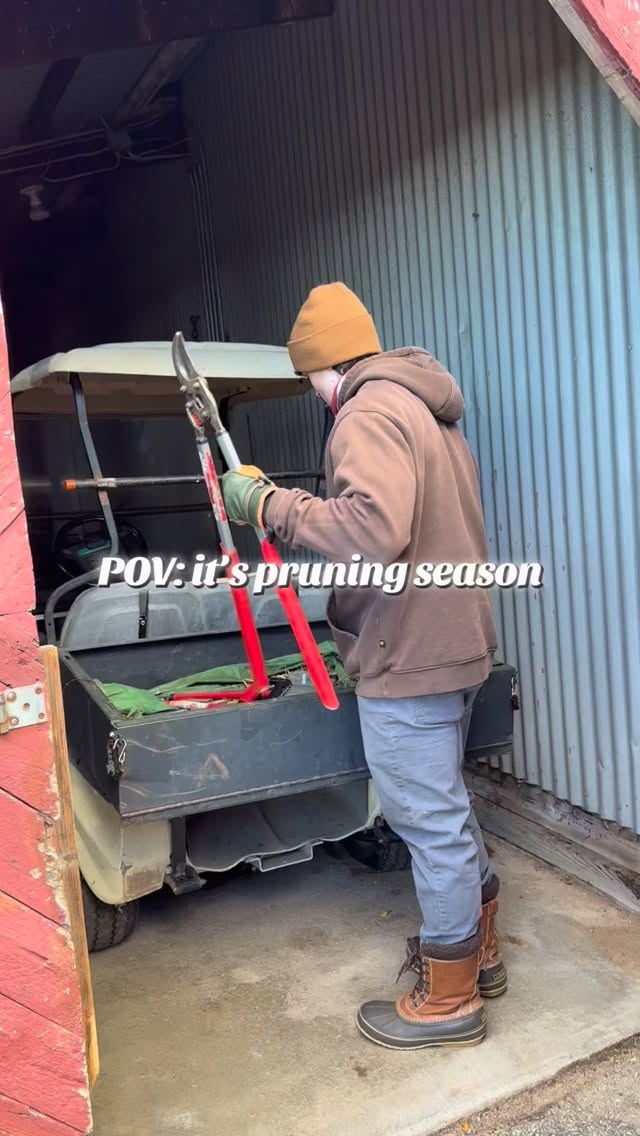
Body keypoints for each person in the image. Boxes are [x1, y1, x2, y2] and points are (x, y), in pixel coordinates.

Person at [221, 282, 506, 1051]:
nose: (311, 392)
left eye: (307, 376)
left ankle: (449, 1002)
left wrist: (268, 504)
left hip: (407, 649)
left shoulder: (366, 413)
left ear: (326, 365)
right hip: (451, 638)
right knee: (445, 803)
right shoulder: (422, 407)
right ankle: (477, 955)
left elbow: (372, 532)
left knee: (426, 817)